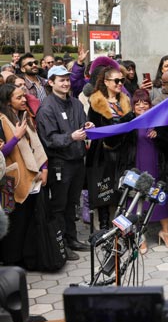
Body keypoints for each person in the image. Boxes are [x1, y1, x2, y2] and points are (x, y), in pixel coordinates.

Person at [36, 66, 94, 261]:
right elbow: (49, 139)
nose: (66, 83)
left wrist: (88, 126)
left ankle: (72, 239)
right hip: (59, 163)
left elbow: (82, 123)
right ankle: (60, 245)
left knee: (72, 204)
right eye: (61, 80)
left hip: (78, 161)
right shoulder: (47, 107)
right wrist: (71, 137)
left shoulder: (76, 103)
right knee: (59, 205)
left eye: (67, 79)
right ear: (51, 83)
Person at [0, 84, 48, 267]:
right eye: (18, 97)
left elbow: (36, 144)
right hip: (9, 180)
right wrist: (15, 137)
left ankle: (26, 259)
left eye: (24, 96)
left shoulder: (24, 116)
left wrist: (44, 167)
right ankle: (11, 261)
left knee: (27, 220)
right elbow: (1, 155)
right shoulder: (2, 120)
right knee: (13, 223)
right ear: (7, 101)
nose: (24, 100)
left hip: (31, 179)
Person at [125, 89, 168, 254]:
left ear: (150, 105)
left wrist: (159, 136)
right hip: (137, 168)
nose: (141, 106)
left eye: (145, 103)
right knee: (137, 201)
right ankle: (141, 237)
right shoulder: (130, 123)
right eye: (137, 103)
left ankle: (165, 233)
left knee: (162, 199)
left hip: (157, 167)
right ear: (133, 106)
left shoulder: (159, 120)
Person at [86, 67, 134, 229]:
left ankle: (120, 226)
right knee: (104, 189)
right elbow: (97, 129)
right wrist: (123, 122)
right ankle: (104, 226)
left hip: (123, 152)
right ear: (106, 82)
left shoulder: (126, 100)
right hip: (102, 152)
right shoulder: (96, 101)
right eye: (116, 80)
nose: (120, 83)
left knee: (121, 188)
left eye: (122, 80)